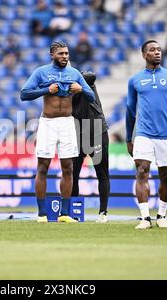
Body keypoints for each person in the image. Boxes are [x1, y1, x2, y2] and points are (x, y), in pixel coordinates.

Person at [20, 41, 95, 223]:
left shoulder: (74, 73)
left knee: (68, 168)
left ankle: (65, 214)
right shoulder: (41, 72)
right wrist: (47, 90)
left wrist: (81, 90)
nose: (65, 56)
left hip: (68, 123)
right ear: (52, 55)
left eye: (67, 53)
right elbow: (24, 94)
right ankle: (41, 214)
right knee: (43, 167)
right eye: (61, 53)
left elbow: (92, 97)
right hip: (48, 123)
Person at [126, 40, 167, 230]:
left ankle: (161, 215)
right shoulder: (135, 80)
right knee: (142, 171)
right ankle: (145, 218)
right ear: (144, 55)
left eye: (159, 49)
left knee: (165, 175)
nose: (157, 52)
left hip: (166, 135)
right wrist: (129, 137)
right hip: (143, 134)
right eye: (152, 50)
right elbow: (130, 110)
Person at [71, 71, 110, 223]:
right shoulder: (65, 89)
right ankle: (73, 213)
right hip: (78, 133)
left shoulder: (85, 82)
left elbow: (91, 74)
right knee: (73, 174)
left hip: (96, 130)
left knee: (102, 173)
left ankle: (103, 213)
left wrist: (78, 84)